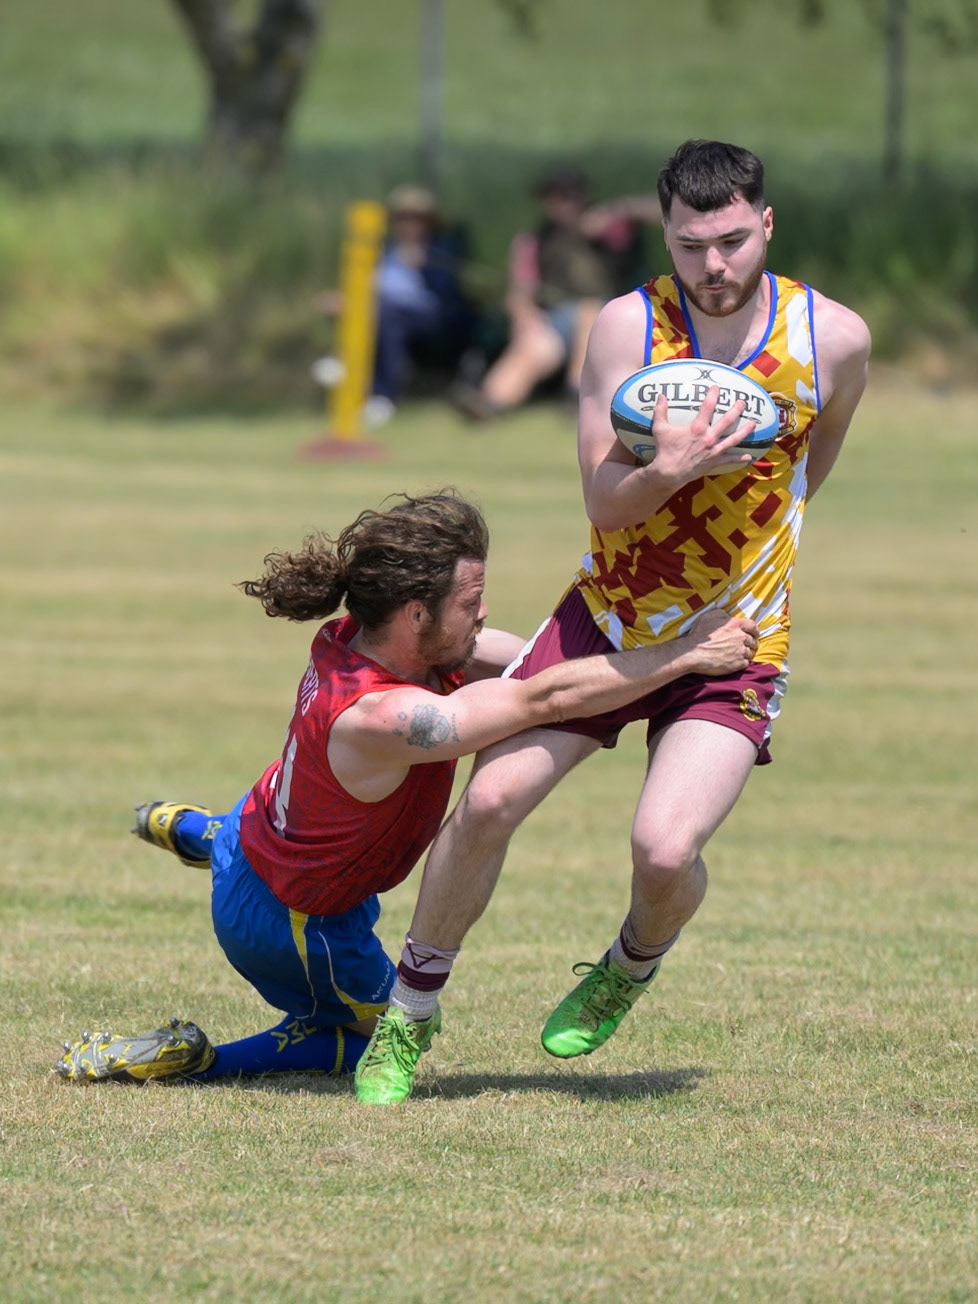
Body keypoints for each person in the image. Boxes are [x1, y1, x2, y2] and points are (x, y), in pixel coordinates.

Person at [356, 139, 872, 1104]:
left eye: (729, 242)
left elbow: (815, 465)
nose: (713, 266)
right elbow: (605, 502)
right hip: (608, 620)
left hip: (735, 640)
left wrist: (748, 553)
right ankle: (409, 1015)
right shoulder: (626, 328)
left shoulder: (833, 338)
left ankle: (630, 964)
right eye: (690, 245)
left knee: (665, 849)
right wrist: (670, 472)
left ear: (766, 224)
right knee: (490, 804)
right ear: (665, 236)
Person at [54, 489, 758, 1098]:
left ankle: (200, 833)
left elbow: (539, 661)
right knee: (369, 1039)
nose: (484, 616)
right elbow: (543, 694)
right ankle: (197, 1061)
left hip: (258, 829)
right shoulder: (387, 716)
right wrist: (687, 656)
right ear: (417, 616)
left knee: (284, 826)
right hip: (296, 924)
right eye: (472, 603)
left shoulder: (358, 637)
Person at [450, 166, 660, 422]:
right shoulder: (534, 240)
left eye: (568, 196)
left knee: (588, 312)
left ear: (581, 195)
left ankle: (577, 395)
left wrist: (618, 209)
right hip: (556, 317)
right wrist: (525, 317)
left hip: (610, 316)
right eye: (554, 197)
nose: (562, 204)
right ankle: (489, 403)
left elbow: (666, 213)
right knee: (531, 348)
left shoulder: (611, 228)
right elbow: (520, 292)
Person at [315, 185, 476, 427]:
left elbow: (447, 292)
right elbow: (366, 286)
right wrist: (344, 299)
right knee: (364, 310)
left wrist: (425, 265)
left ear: (429, 222)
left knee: (384, 313)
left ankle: (383, 395)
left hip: (430, 316)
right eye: (402, 218)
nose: (407, 224)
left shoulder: (442, 248)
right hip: (381, 310)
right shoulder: (384, 249)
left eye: (415, 218)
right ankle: (346, 365)